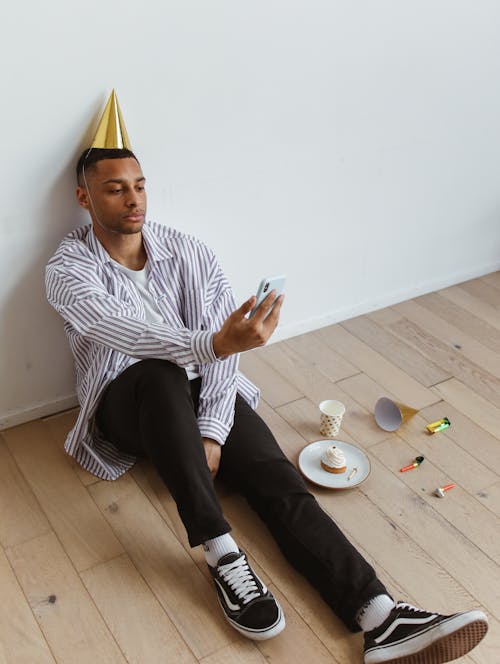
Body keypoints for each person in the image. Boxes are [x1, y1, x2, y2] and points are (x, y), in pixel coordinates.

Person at [46, 145, 488, 664]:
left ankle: (380, 616)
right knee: (160, 372)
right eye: (115, 188)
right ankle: (221, 552)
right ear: (84, 197)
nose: (133, 199)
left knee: (277, 478)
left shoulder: (190, 251)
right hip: (126, 403)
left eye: (139, 185)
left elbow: (224, 358)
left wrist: (210, 430)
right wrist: (212, 344)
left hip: (203, 389)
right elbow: (126, 333)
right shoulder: (67, 267)